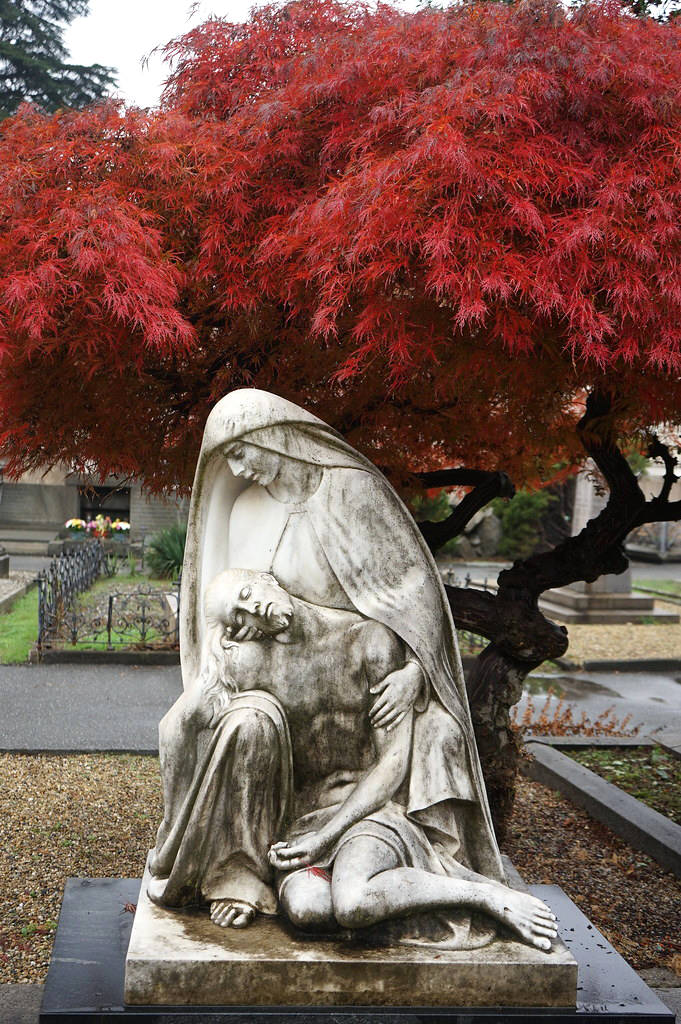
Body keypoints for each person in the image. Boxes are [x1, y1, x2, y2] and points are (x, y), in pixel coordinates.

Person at [178, 389, 504, 905]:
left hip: (369, 677)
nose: (237, 466)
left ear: (272, 434)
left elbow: (416, 595)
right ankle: (240, 871)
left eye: (240, 450)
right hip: (300, 690)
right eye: (228, 459)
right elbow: (248, 598)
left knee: (424, 736)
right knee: (243, 721)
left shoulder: (354, 493)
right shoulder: (245, 510)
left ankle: (412, 871)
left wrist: (417, 672)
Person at [150, 568, 557, 952]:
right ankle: (400, 891)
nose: (252, 609)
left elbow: (393, 764)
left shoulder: (369, 641)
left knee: (352, 902)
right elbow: (176, 728)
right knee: (309, 910)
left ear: (266, 579)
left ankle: (486, 896)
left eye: (246, 595)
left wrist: (324, 840)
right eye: (237, 614)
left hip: (369, 815)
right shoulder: (255, 663)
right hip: (304, 827)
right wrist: (172, 832)